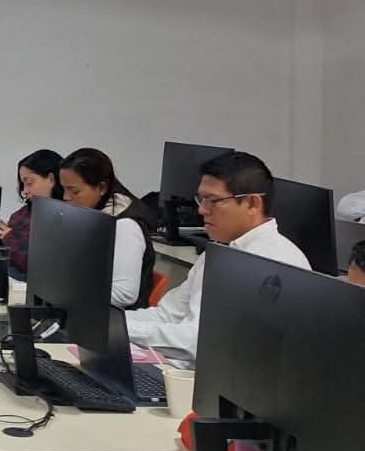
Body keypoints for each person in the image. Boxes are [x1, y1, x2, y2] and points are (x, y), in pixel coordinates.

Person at [126, 150, 309, 367]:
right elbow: (169, 314)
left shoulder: (275, 263)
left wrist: (122, 329)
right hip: (184, 369)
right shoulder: (221, 249)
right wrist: (109, 322)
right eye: (201, 199)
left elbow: (201, 342)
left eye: (213, 201)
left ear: (252, 203)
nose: (202, 210)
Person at [58, 148, 158, 309]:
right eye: (64, 189)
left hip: (115, 317)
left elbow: (125, 295)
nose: (65, 197)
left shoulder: (126, 226)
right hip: (86, 307)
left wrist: (69, 293)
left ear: (102, 188)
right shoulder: (93, 215)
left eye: (74, 191)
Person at [0, 148, 62, 279]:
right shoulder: (21, 214)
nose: (25, 191)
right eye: (23, 184)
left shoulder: (67, 218)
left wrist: (9, 237)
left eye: (29, 183)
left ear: (51, 179)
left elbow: (40, 264)